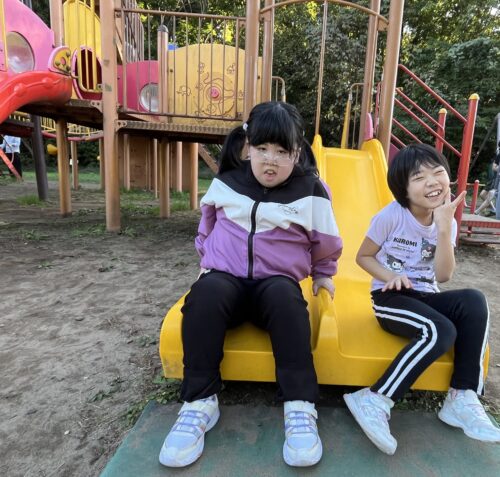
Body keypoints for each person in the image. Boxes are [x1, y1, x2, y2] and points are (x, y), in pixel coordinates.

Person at [159, 101, 343, 468]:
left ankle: (299, 404)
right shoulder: (228, 181)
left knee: (286, 298)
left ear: (297, 152)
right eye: (262, 149)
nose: (270, 160)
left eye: (282, 152)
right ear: (248, 146)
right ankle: (199, 402)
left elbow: (325, 240)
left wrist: (324, 272)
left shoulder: (311, 190)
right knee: (206, 294)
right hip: (227, 281)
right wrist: (207, 259)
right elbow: (208, 224)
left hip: (274, 285)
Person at [343, 143, 500, 455]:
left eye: (437, 172)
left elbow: (443, 275)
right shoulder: (391, 216)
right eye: (419, 177)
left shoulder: (447, 221)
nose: (432, 182)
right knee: (441, 330)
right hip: (390, 297)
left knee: (474, 300)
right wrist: (389, 275)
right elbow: (364, 256)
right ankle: (375, 398)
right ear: (403, 189)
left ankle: (462, 397)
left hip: (426, 295)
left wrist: (443, 229)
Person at [474, 144, 499, 216]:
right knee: (482, 195)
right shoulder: (497, 155)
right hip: (493, 179)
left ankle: (477, 212)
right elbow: (494, 168)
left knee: (490, 196)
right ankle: (493, 209)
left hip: (496, 179)